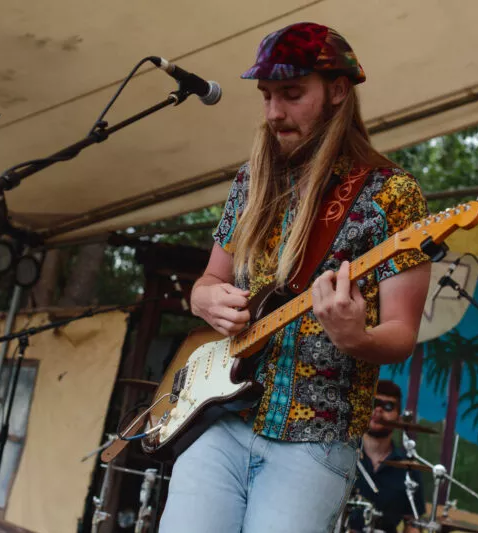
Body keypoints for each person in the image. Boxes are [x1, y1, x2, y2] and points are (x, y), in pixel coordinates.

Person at [159, 22, 432, 533]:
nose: (274, 113)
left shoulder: (392, 194)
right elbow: (207, 281)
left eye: (291, 94)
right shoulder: (250, 179)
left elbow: (402, 334)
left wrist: (358, 337)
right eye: (266, 96)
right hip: (219, 421)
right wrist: (205, 301)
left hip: (315, 441)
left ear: (337, 91)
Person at [347, 380, 426, 533]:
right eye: (373, 403)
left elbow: (413, 523)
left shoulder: (409, 469)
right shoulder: (342, 456)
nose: (378, 410)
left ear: (398, 417)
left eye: (388, 406)